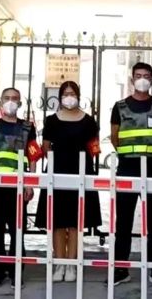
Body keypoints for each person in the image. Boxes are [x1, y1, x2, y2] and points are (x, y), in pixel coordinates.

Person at [110, 62, 152, 288]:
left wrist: (151, 153)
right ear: (132, 79)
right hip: (127, 168)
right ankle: (120, 268)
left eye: (146, 75)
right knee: (123, 220)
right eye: (138, 75)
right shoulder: (119, 107)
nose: (142, 79)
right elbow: (115, 137)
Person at [35, 81, 102, 283]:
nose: (69, 97)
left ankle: (72, 264)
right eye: (66, 94)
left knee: (75, 222)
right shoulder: (52, 120)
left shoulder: (88, 121)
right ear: (60, 97)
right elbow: (45, 146)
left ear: (78, 96)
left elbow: (94, 147)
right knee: (57, 222)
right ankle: (59, 263)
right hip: (57, 172)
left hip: (81, 172)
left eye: (72, 93)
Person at [0, 87, 41, 289]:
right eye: (7, 98)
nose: (11, 101)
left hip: (18, 188)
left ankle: (15, 271)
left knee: (17, 231)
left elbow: (33, 157)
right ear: (0, 101)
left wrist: (30, 183)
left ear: (20, 103)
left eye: (14, 98)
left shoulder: (28, 127)